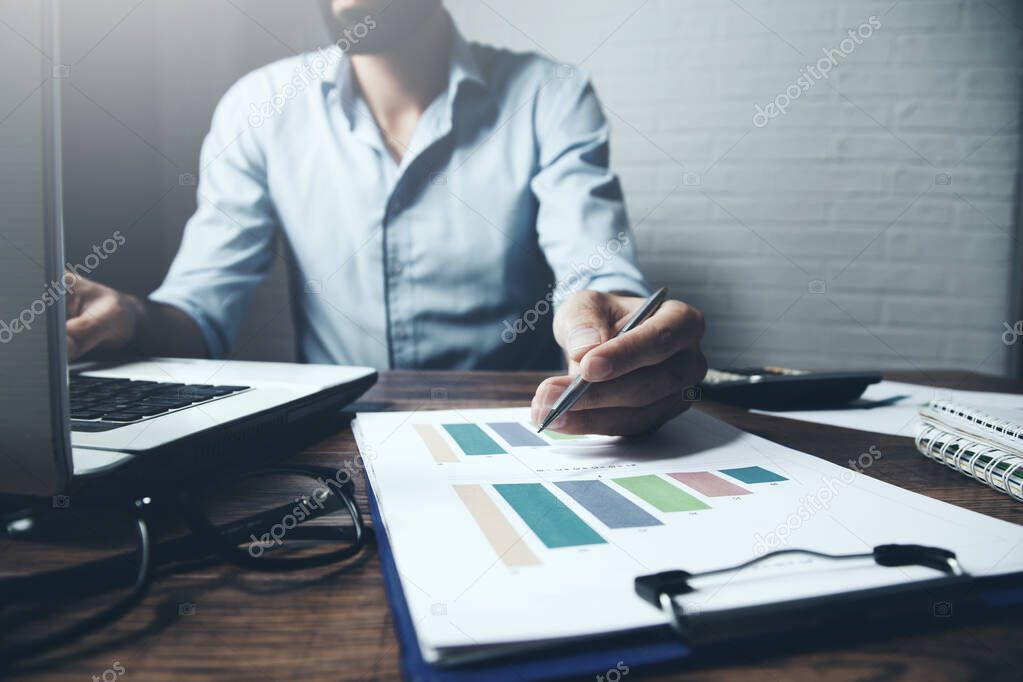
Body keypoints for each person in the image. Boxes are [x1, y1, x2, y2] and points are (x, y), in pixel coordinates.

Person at [64, 0, 706, 436]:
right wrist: (134, 318)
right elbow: (200, 318)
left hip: (522, 435)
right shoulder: (258, 108)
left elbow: (596, 275)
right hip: (328, 449)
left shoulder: (550, 96)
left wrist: (615, 333)